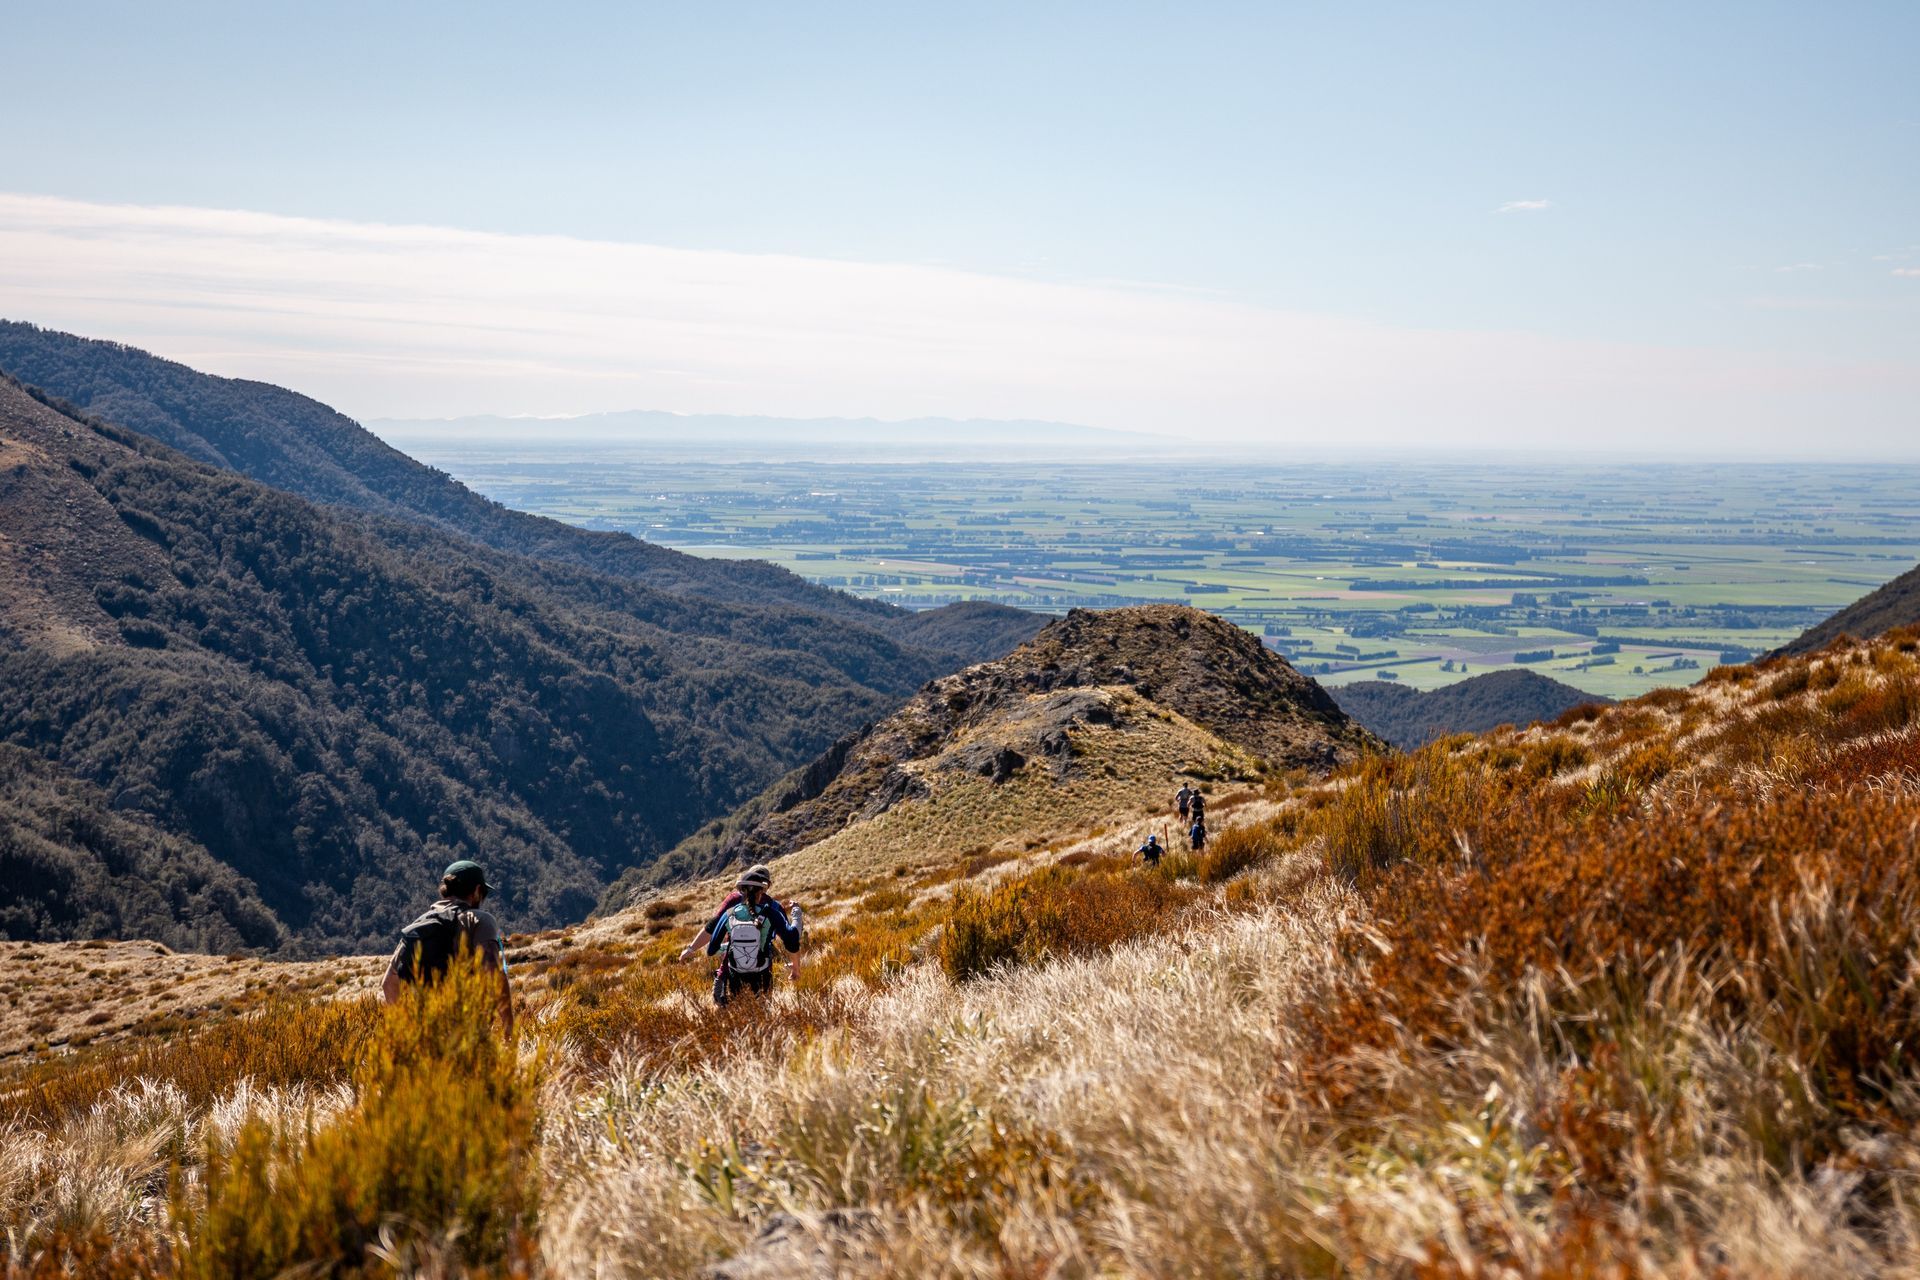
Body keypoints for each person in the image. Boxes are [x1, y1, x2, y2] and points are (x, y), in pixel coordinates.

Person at [382, 859, 513, 1035]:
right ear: (477, 891)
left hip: (423, 1035)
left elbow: (388, 981)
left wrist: (404, 1028)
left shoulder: (420, 924)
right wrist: (509, 1030)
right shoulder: (479, 920)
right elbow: (493, 973)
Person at [682, 865, 803, 1005]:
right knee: (762, 1017)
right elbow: (792, 939)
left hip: (732, 974)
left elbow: (711, 947)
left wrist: (727, 947)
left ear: (742, 889)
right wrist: (796, 914)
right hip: (762, 974)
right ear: (763, 888)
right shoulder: (773, 910)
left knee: (731, 1018)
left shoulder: (730, 911)